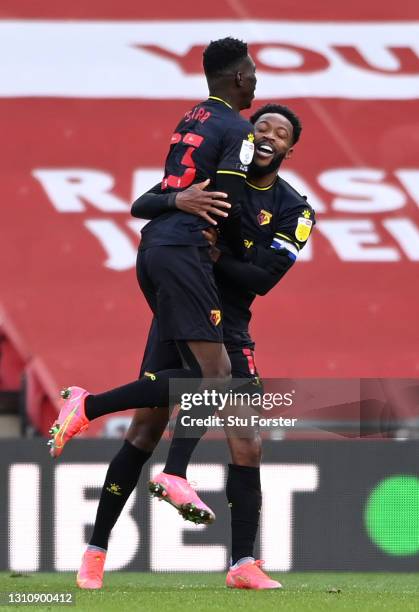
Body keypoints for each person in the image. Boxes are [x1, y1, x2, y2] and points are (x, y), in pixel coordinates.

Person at [76, 104, 315, 590]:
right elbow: (146, 201)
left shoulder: (295, 209)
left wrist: (214, 255)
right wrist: (179, 202)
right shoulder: (218, 176)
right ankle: (95, 553)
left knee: (247, 442)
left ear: (292, 148)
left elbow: (263, 279)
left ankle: (242, 563)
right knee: (143, 434)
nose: (268, 135)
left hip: (232, 323)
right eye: (261, 126)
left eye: (281, 132)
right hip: (181, 313)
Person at [48, 37, 257, 523]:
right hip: (184, 252)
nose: (255, 82)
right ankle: (93, 406)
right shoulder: (237, 130)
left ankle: (166, 475)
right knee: (217, 376)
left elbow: (151, 198)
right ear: (240, 78)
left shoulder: (193, 120)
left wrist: (178, 202)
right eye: (253, 73)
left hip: (155, 248)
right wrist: (241, 242)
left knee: (191, 377)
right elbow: (225, 203)